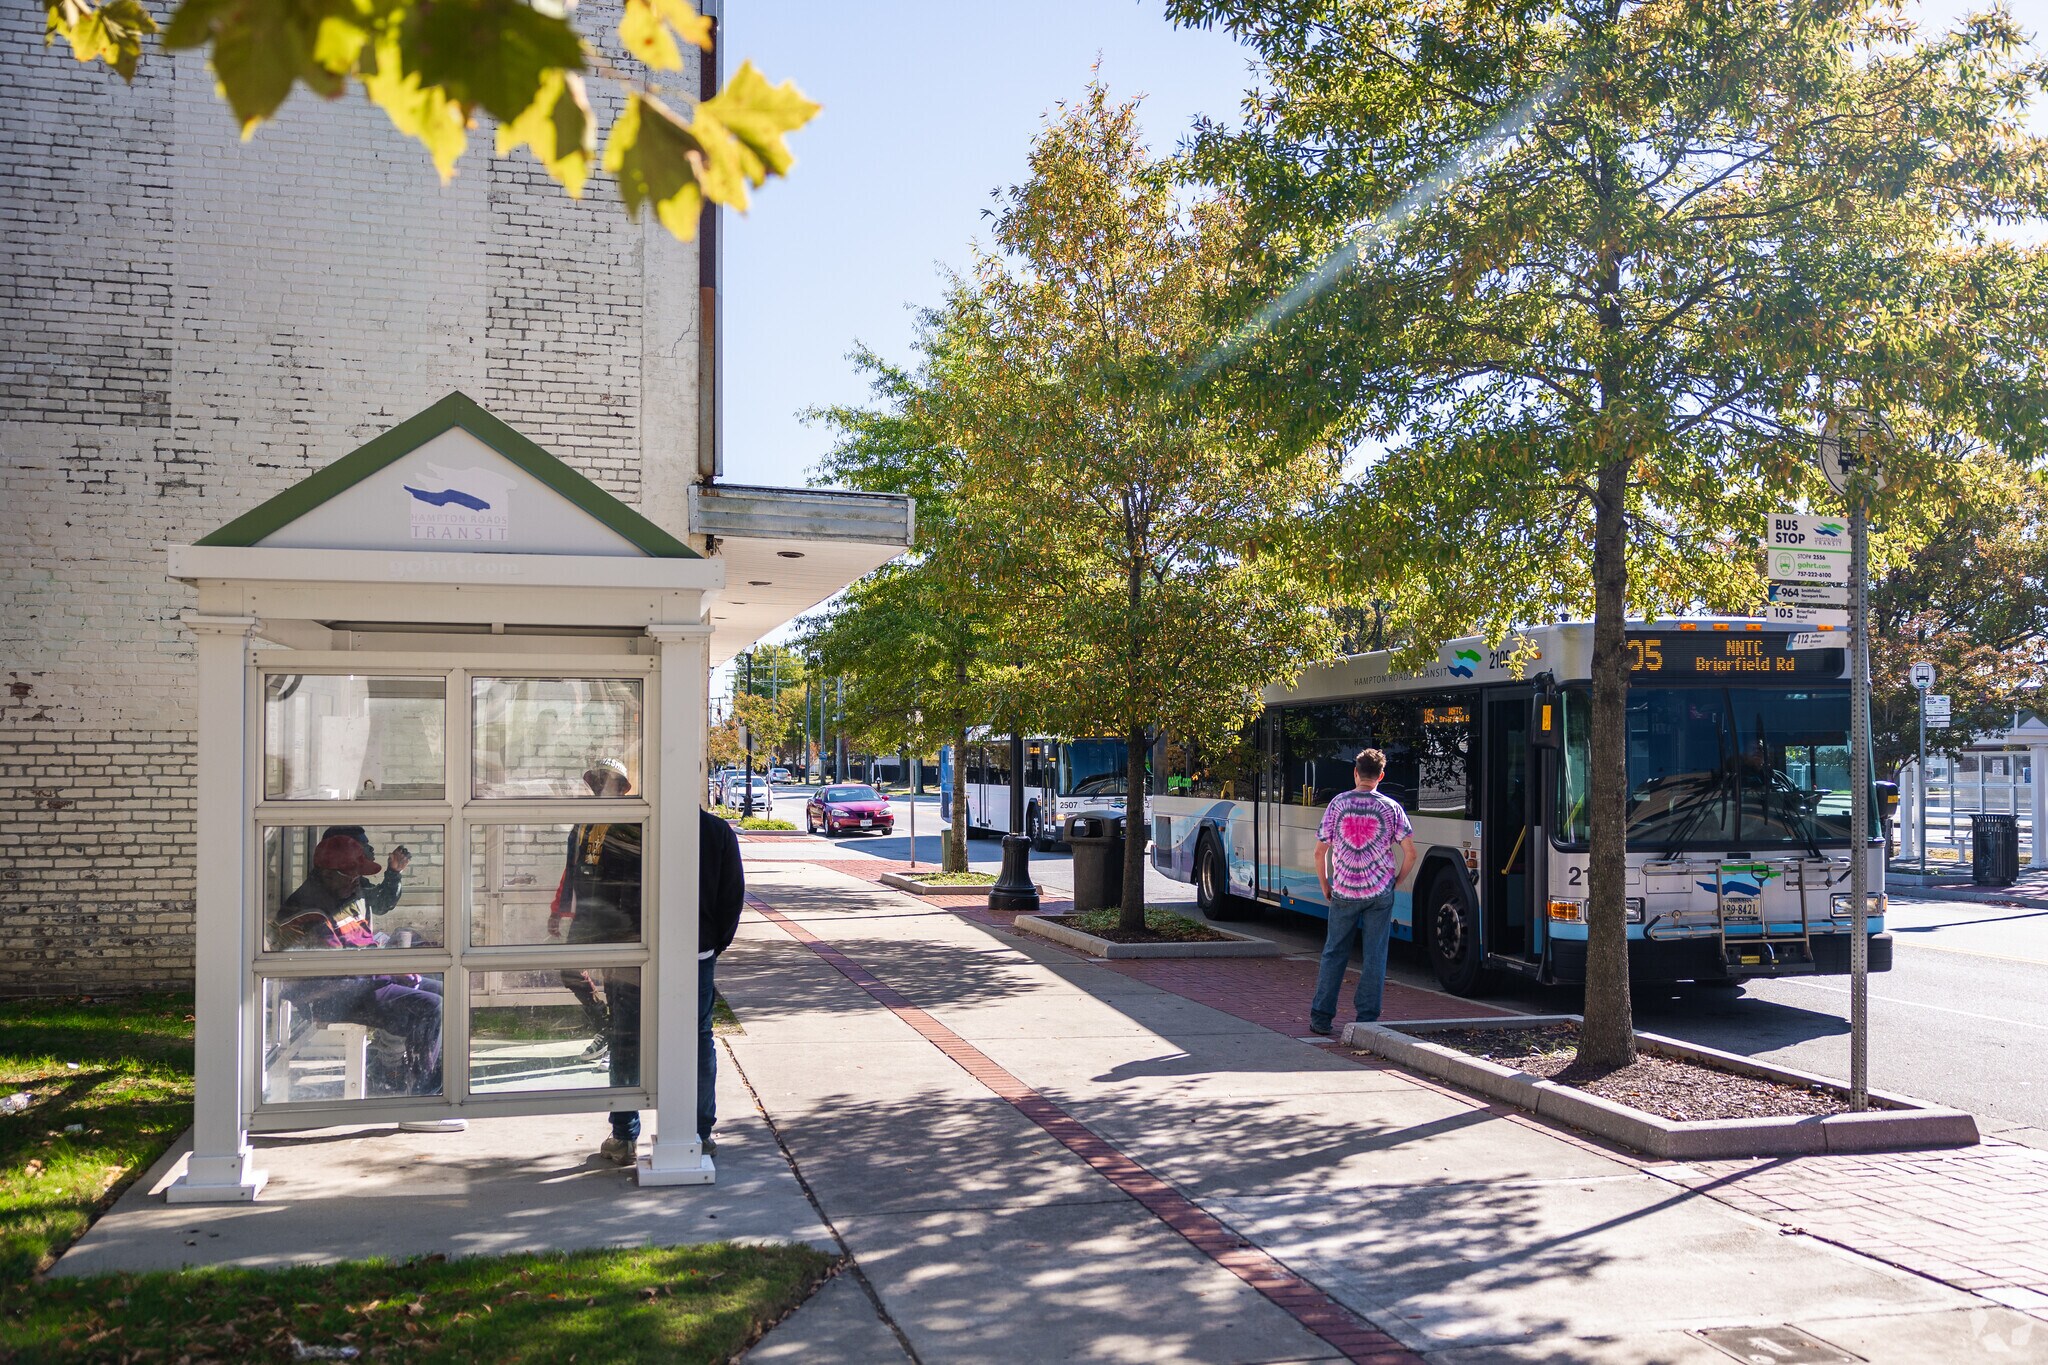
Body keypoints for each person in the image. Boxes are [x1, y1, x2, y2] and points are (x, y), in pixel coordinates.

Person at [277, 834, 445, 1097]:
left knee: (447, 992)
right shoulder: (311, 911)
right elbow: (339, 969)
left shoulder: (342, 894)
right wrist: (391, 970)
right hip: (335, 995)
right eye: (352, 876)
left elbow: (363, 944)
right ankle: (425, 1098)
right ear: (328, 873)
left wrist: (394, 960)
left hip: (365, 982)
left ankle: (421, 1077)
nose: (357, 882)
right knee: (431, 1007)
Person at [1309, 748, 1417, 1037]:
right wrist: (1394, 881)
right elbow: (1410, 853)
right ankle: (1367, 1020)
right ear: (1381, 776)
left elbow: (1320, 852)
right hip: (1379, 891)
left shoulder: (1337, 804)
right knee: (1374, 955)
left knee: (1334, 953)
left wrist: (1325, 885)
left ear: (1355, 773)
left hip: (1343, 889)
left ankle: (1321, 1017)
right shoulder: (1391, 808)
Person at [321, 825, 410, 919]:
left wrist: (394, 872)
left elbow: (381, 904)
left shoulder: (352, 880)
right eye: (364, 844)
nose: (371, 848)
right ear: (347, 850)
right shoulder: (328, 887)